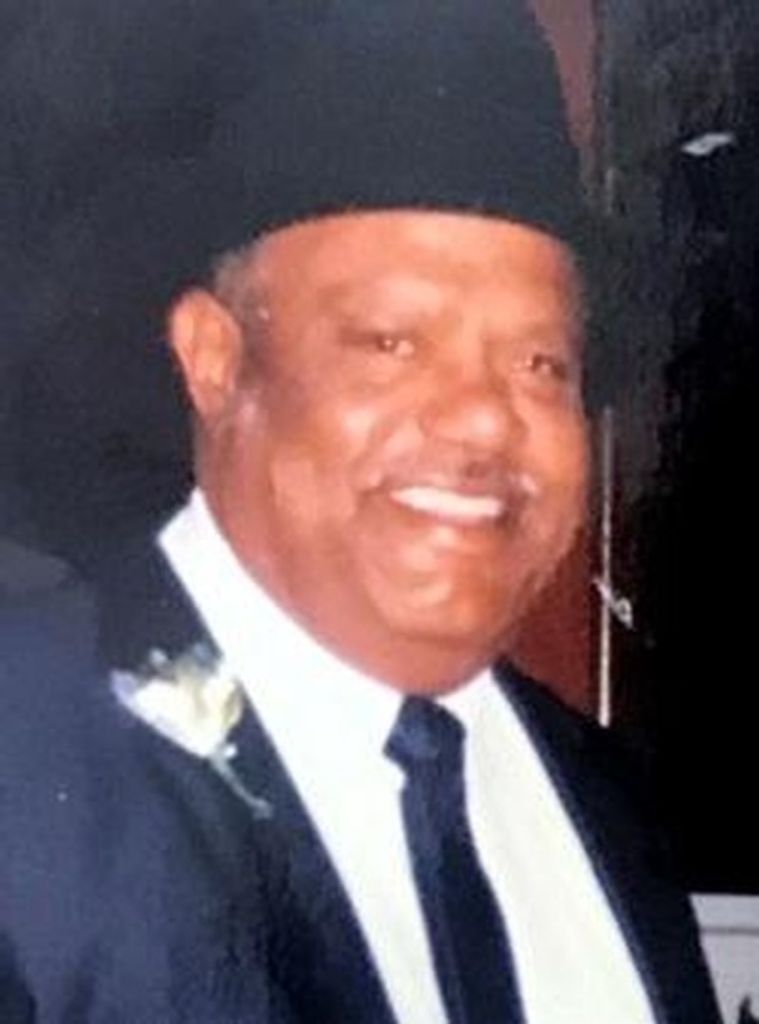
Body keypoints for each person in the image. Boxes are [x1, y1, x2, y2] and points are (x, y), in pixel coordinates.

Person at [0, 2, 719, 1022]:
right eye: (391, 341)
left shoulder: (608, 804)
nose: (483, 417)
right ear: (215, 359)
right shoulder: (25, 758)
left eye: (540, 364)